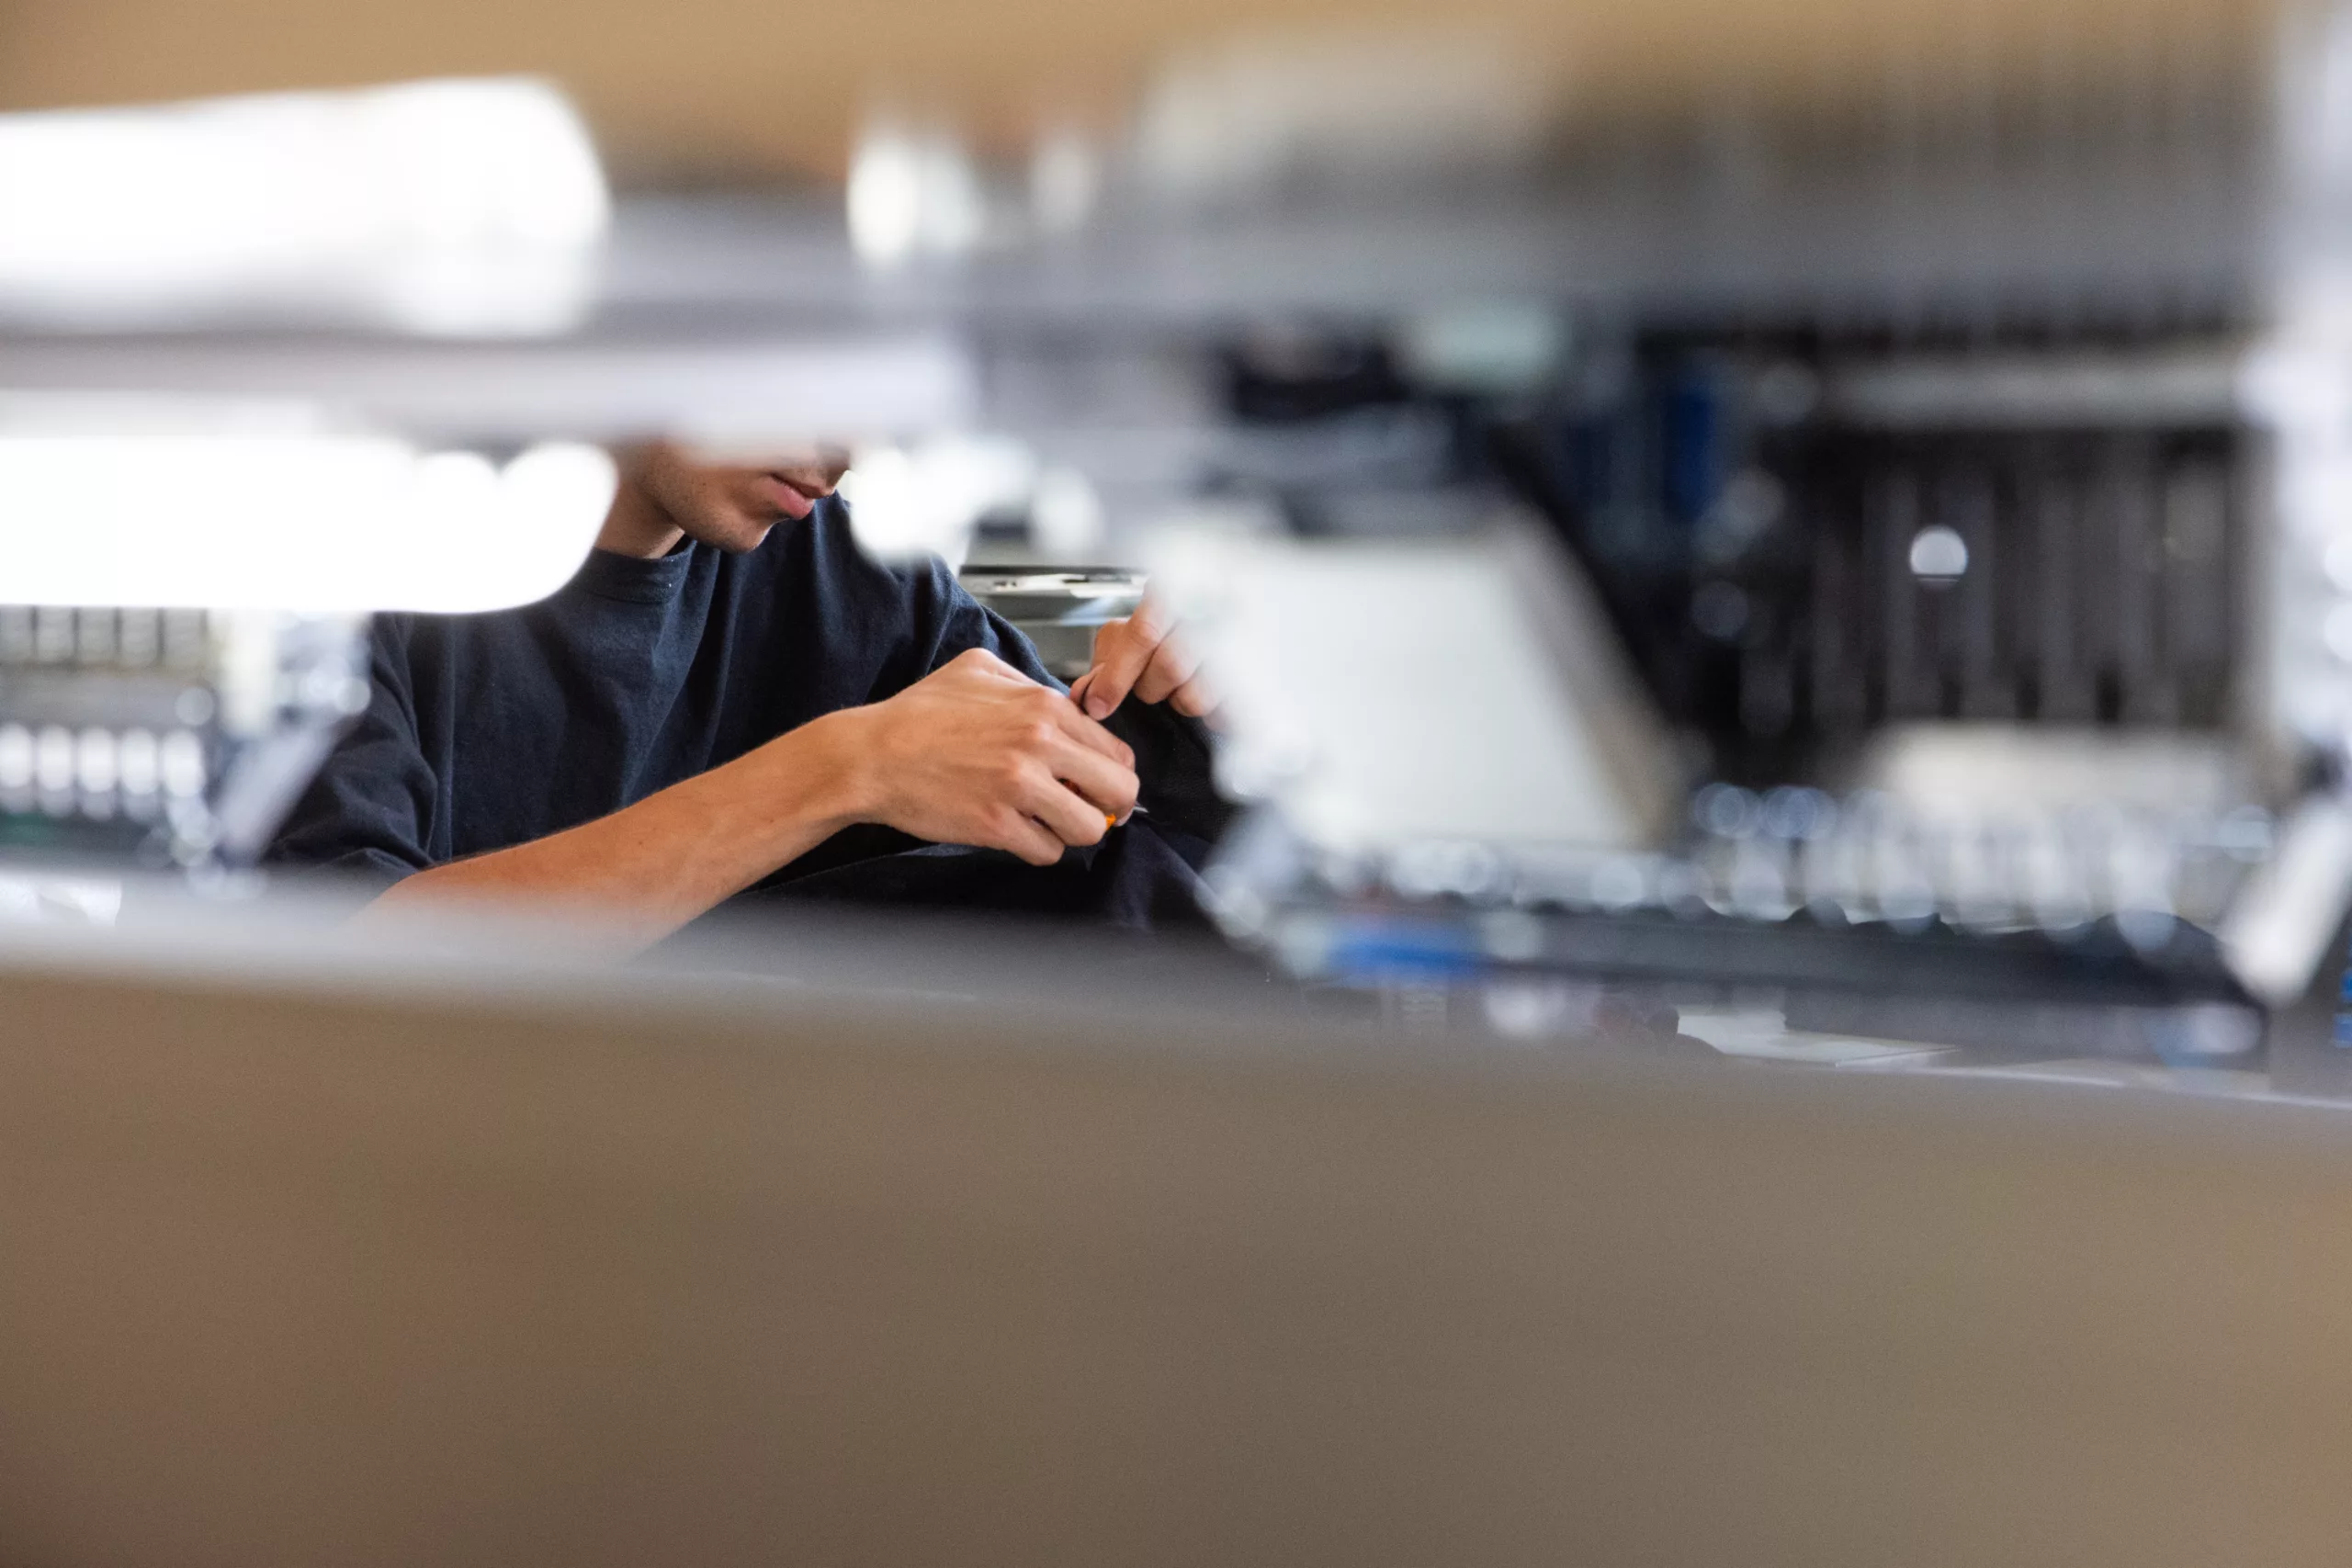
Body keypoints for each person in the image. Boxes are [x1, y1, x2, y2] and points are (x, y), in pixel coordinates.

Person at [267, 443, 1220, 948]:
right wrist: (844, 769)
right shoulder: (345, 573)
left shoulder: (858, 575)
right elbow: (344, 971)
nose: (841, 446)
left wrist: (1195, 708)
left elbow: (1113, 842)